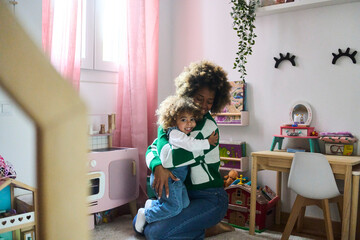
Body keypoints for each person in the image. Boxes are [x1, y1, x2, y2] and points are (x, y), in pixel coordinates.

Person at [133, 60, 232, 240]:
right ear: (188, 93)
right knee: (145, 225)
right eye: (199, 98)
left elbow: (170, 158)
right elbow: (152, 149)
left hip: (210, 198)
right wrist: (157, 166)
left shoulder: (208, 129)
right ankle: (193, 226)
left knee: (156, 233)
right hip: (183, 195)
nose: (204, 105)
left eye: (210, 101)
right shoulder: (181, 120)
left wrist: (163, 136)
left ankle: (206, 228)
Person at [134, 95, 219, 233]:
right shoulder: (175, 134)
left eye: (192, 119)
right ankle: (146, 214)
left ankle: (152, 204)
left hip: (177, 180)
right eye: (183, 120)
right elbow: (190, 145)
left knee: (184, 204)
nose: (189, 124)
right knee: (175, 207)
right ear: (174, 121)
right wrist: (207, 143)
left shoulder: (181, 132)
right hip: (169, 179)